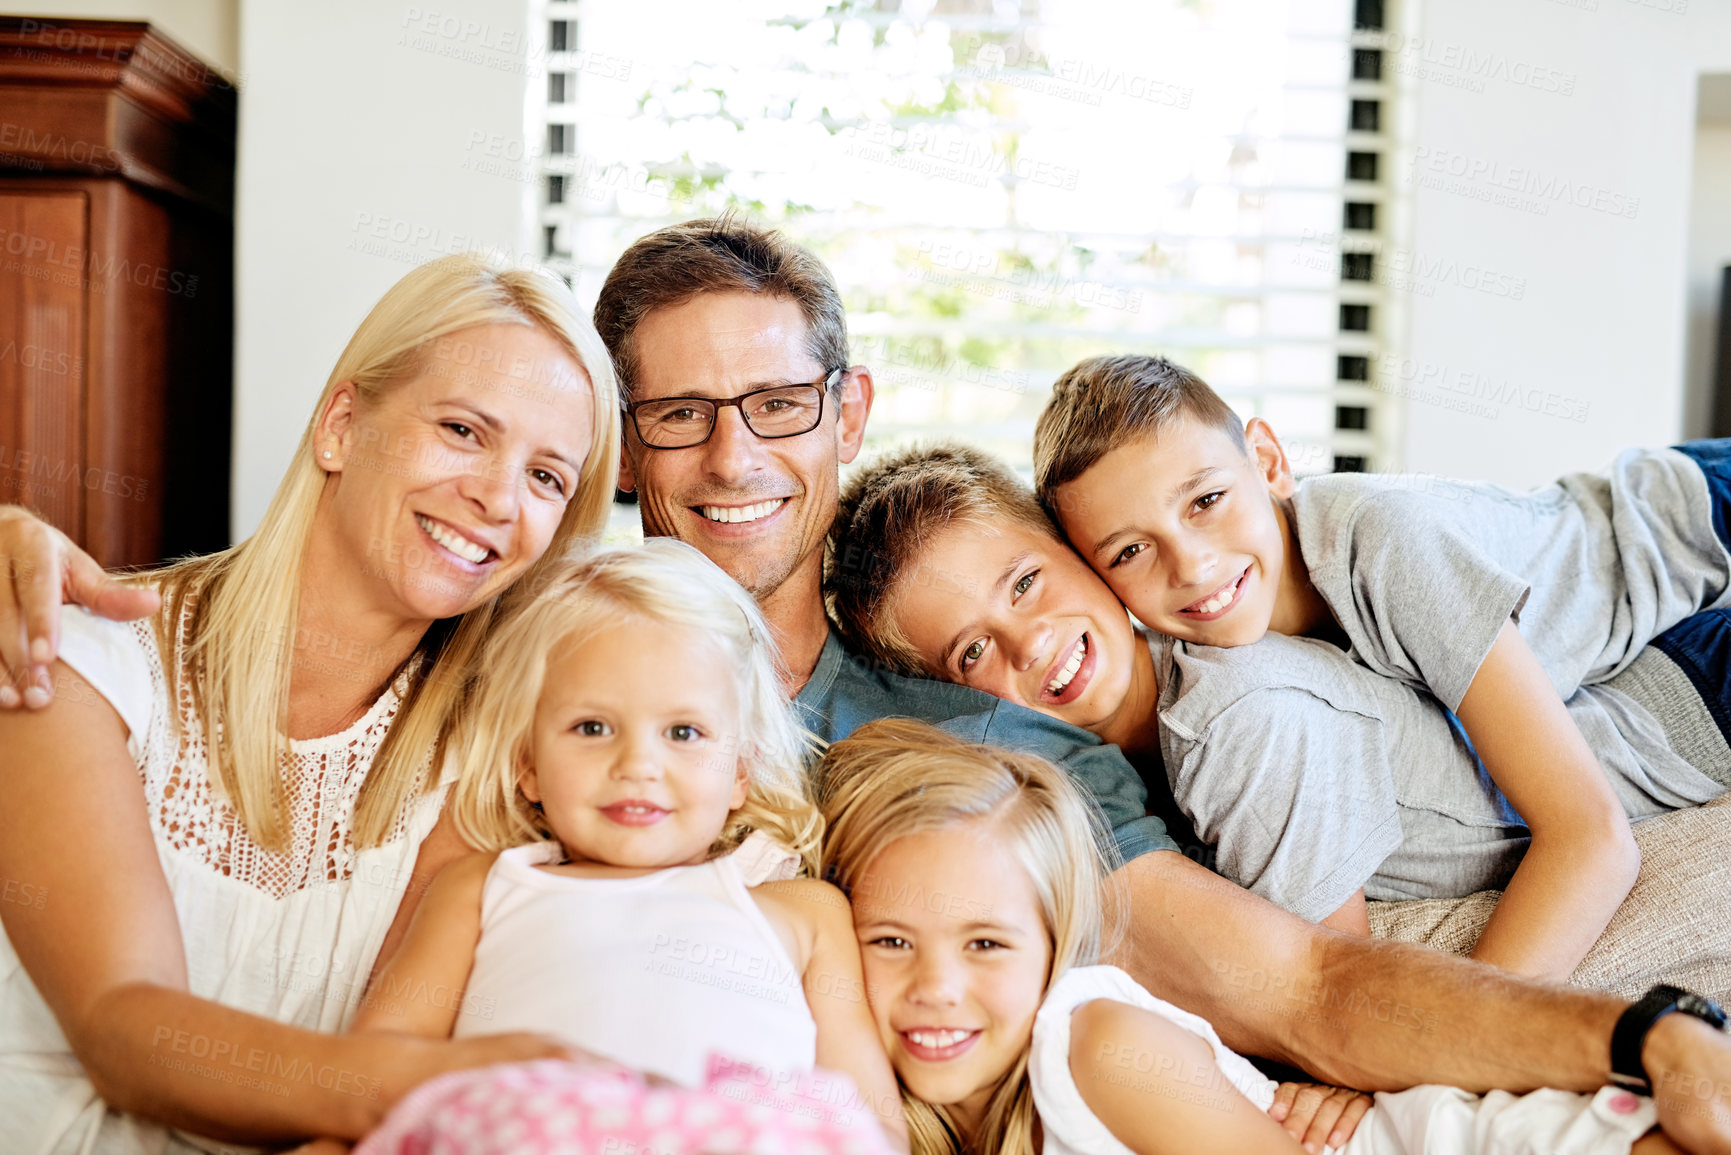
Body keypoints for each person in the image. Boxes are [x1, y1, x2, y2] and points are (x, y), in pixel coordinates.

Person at [6, 217, 1731, 1150]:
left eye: (775, 404)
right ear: (626, 456)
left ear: (849, 409)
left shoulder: (962, 733)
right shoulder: (531, 654)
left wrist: (1632, 1033)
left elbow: (1310, 990)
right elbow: (279, 614)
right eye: (673, 414)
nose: (731, 454)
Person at [0, 252, 624, 1152]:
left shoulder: (482, 766)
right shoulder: (80, 661)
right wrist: (458, 1087)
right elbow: (122, 1029)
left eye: (546, 478)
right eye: (461, 429)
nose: (496, 497)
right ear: (340, 425)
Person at [823, 441, 1731, 952]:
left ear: (1080, 548)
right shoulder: (1110, 798)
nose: (1029, 642)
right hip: (1652, 681)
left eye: (1024, 582)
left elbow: (1344, 977)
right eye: (973, 649)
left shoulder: (1234, 702)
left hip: (1671, 569)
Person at [1030, 353, 1731, 981]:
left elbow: (1589, 834)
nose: (1189, 564)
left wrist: (1441, 1053)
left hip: (1681, 523)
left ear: (1269, 462)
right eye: (1128, 551)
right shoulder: (1217, 664)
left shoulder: (1385, 545)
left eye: (1206, 501)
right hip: (1665, 655)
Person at [819, 718, 1685, 1155]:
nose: (935, 984)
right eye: (889, 940)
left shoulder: (1095, 1046)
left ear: (1055, 947)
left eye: (985, 945)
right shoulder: (933, 1116)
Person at [321, 540, 903, 1151]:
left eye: (683, 732)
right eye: (592, 728)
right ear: (529, 764)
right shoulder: (480, 888)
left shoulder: (804, 913)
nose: (637, 765)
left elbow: (871, 1124)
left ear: (739, 772)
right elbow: (377, 1062)